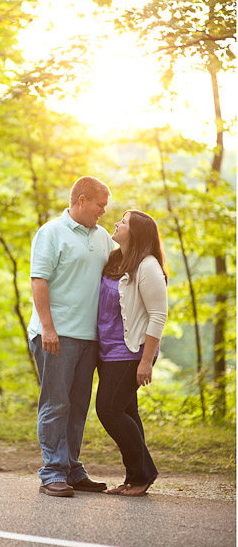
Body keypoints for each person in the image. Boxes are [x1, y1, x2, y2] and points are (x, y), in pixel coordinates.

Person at [28, 176, 114, 497]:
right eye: (99, 205)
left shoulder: (102, 236)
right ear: (81, 201)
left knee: (78, 406)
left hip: (89, 339)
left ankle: (71, 467)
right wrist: (48, 327)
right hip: (56, 335)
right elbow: (39, 280)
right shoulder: (51, 232)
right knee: (56, 403)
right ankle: (52, 471)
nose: (103, 211)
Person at [95, 210, 168, 496]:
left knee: (109, 409)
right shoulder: (115, 260)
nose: (116, 223)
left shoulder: (147, 266)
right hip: (108, 351)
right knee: (126, 412)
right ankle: (136, 476)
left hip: (132, 351)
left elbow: (158, 315)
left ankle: (143, 474)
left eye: (123, 222)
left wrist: (146, 361)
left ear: (136, 233)